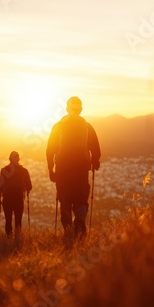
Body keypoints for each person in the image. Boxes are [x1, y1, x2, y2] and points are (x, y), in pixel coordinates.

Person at [46, 96, 101, 242]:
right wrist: (95, 161)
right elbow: (95, 148)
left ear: (67, 108)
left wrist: (51, 169)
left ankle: (68, 230)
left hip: (63, 168)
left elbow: (50, 149)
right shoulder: (86, 126)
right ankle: (79, 219)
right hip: (81, 168)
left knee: (64, 198)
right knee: (81, 198)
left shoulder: (58, 126)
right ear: (81, 109)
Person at [0, 151, 32, 239]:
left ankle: (9, 239)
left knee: (8, 221)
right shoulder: (24, 171)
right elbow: (29, 186)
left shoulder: (4, 170)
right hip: (18, 199)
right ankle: (17, 240)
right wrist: (25, 188)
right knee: (18, 222)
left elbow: (0, 186)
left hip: (7, 199)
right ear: (18, 158)